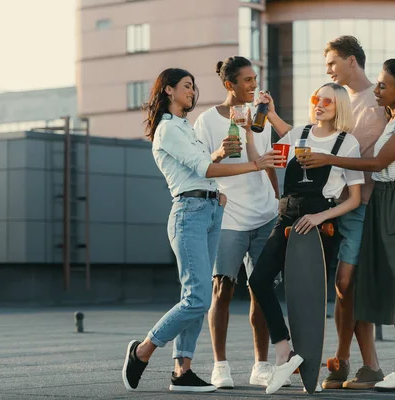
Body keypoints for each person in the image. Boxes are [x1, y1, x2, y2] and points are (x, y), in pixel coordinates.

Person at [121, 68, 285, 393]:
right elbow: (203, 168)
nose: (192, 92)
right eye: (186, 86)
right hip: (189, 213)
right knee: (197, 298)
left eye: (194, 87)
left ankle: (182, 371)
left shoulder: (184, 127)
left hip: (209, 209)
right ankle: (143, 351)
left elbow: (203, 164)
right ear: (168, 90)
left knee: (194, 297)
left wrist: (218, 177)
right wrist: (254, 164)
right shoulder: (168, 129)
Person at [299, 59, 395, 394]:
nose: (378, 90)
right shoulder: (394, 116)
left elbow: (380, 162)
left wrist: (329, 159)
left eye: (384, 86)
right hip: (383, 199)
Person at [248, 82, 365, 395]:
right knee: (258, 281)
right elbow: (274, 155)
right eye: (316, 98)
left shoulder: (346, 143)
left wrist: (320, 218)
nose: (319, 104)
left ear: (338, 106)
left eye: (327, 100)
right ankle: (284, 350)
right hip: (286, 217)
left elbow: (353, 199)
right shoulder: (298, 135)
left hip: (318, 226)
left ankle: (307, 363)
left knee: (308, 298)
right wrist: (265, 118)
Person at [193, 56, 282, 389]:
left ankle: (261, 365)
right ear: (229, 84)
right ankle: (221, 365)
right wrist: (218, 152)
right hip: (228, 216)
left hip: (265, 214)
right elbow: (201, 165)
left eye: (255, 79)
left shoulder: (261, 118)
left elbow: (270, 162)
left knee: (262, 291)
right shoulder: (206, 121)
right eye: (247, 80)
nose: (253, 85)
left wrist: (278, 200)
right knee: (223, 289)